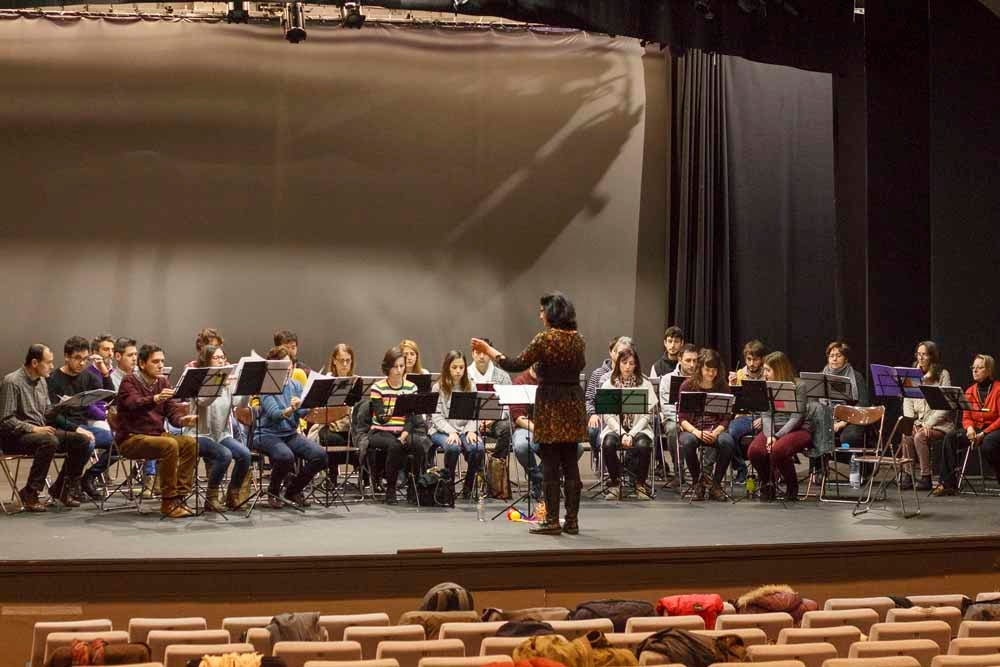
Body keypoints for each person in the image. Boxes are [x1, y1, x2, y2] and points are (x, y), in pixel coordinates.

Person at [473, 291, 587, 535]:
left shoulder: (545, 339)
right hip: (573, 403)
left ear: (552, 313)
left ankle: (552, 521)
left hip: (551, 404)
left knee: (550, 462)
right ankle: (572, 521)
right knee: (570, 462)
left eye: (542, 310)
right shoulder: (578, 339)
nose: (540, 314)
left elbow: (515, 364)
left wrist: (489, 349)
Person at [0, 344, 91, 512]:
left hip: (40, 433)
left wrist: (63, 406)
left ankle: (61, 489)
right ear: (35, 363)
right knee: (49, 440)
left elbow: (47, 412)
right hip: (14, 437)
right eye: (48, 362)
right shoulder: (12, 381)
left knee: (82, 441)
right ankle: (31, 492)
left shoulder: (41, 381)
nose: (51, 366)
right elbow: (6, 420)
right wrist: (33, 429)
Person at [115, 344, 200, 518]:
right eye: (155, 361)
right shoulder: (129, 381)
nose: (161, 365)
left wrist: (183, 420)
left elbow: (172, 414)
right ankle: (168, 501)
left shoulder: (162, 382)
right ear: (142, 363)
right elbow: (133, 404)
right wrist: (155, 398)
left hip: (156, 436)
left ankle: (180, 496)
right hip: (131, 438)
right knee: (169, 444)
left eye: (162, 361)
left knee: (190, 443)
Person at [253, 345, 327, 508]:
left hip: (289, 434)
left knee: (320, 455)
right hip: (267, 434)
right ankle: (273, 492)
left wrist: (310, 406)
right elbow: (275, 415)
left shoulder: (296, 385)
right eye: (283, 365)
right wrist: (292, 408)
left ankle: (293, 490)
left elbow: (301, 413)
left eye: (290, 365)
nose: (288, 368)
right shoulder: (266, 387)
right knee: (286, 457)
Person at [46, 336, 115, 501]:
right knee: (86, 442)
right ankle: (68, 486)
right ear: (66, 356)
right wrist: (77, 429)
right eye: (77, 358)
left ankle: (88, 478)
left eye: (85, 359)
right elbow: (51, 416)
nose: (82, 363)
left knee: (119, 442)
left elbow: (110, 397)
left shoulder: (87, 376)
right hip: (62, 428)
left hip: (83, 427)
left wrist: (105, 373)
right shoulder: (53, 379)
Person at [184, 344, 251, 511]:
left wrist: (247, 387)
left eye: (222, 357)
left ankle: (232, 495)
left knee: (245, 455)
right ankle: (211, 497)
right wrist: (219, 383)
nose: (221, 361)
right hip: (198, 434)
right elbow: (203, 402)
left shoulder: (226, 381)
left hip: (220, 434)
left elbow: (240, 404)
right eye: (216, 358)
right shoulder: (199, 380)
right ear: (206, 360)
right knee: (224, 455)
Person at [747, 351, 814, 500]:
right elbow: (766, 415)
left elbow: (797, 417)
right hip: (773, 428)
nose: (765, 373)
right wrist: (770, 435)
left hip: (797, 428)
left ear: (779, 370)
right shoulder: (765, 386)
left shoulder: (799, 385)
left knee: (778, 450)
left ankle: (792, 486)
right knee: (754, 451)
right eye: (764, 370)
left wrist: (777, 436)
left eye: (768, 370)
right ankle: (768, 484)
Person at [368, 346, 430, 505]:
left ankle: (413, 488)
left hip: (403, 431)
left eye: (401, 366)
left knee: (419, 446)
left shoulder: (411, 387)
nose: (399, 370)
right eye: (395, 366)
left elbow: (411, 417)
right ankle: (391, 489)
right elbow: (380, 419)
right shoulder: (377, 387)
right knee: (395, 446)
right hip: (380, 431)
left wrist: (404, 434)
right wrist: (392, 410)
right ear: (387, 368)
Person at [935, 354, 1000, 496]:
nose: (975, 370)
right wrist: (970, 429)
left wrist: (983, 433)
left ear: (989, 370)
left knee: (988, 444)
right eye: (973, 367)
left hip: (994, 429)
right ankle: (948, 484)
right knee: (951, 438)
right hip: (976, 428)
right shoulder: (970, 391)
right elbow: (966, 417)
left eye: (980, 368)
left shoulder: (998, 389)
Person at [677, 348, 736, 501]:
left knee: (727, 442)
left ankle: (716, 485)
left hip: (715, 430)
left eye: (714, 370)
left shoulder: (723, 387)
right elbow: (682, 418)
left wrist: (716, 432)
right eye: (707, 369)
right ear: (700, 368)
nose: (711, 373)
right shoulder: (687, 386)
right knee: (687, 442)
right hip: (693, 430)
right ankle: (698, 483)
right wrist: (697, 432)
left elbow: (726, 418)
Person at [599, 346, 657, 500]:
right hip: (615, 429)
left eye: (631, 363)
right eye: (624, 363)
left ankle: (640, 484)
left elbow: (646, 416)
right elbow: (608, 416)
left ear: (636, 365)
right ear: (618, 364)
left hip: (639, 428)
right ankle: (615, 483)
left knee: (644, 445)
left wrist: (631, 434)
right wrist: (623, 433)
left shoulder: (645, 384)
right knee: (608, 444)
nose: (627, 367)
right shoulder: (609, 384)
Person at [430, 351, 485, 498]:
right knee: (453, 448)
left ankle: (469, 485)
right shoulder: (438, 387)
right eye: (454, 367)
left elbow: (474, 414)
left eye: (461, 367)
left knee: (477, 448)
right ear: (447, 367)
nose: (458, 371)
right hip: (441, 430)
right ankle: (449, 486)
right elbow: (436, 416)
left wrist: (471, 430)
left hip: (465, 429)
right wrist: (451, 432)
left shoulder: (471, 386)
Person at [900, 341, 952, 491]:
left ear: (932, 356)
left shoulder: (942, 374)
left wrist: (928, 424)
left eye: (924, 354)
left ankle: (926, 477)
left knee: (920, 436)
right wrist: (910, 422)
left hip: (939, 424)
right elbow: (907, 400)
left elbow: (945, 405)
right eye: (918, 354)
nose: (921, 358)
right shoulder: (911, 374)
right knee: (906, 434)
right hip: (918, 422)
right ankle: (908, 475)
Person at [311, 343, 357, 487]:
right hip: (328, 425)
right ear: (334, 361)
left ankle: (368, 478)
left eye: (348, 360)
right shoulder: (327, 380)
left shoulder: (356, 381)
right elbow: (319, 410)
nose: (345, 364)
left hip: (349, 426)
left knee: (362, 440)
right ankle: (332, 476)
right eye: (341, 360)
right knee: (331, 438)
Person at [658, 343, 700, 487]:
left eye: (695, 361)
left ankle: (704, 475)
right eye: (688, 360)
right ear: (680, 359)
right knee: (672, 429)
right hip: (674, 419)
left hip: (697, 419)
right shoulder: (667, 379)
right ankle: (678, 473)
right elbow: (666, 407)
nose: (692, 365)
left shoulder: (703, 378)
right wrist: (681, 421)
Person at [585, 337, 634, 460]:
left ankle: (628, 462)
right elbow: (589, 399)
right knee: (593, 431)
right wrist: (593, 414)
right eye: (620, 353)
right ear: (612, 353)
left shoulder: (634, 375)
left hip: (628, 418)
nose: (623, 357)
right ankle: (601, 459)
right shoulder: (599, 374)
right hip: (604, 416)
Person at [727, 339, 767, 483]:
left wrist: (764, 419)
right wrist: (731, 386)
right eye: (749, 359)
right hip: (744, 416)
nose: (751, 363)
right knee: (729, 434)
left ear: (762, 359)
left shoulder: (768, 373)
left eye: (755, 360)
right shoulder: (739, 374)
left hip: (765, 417)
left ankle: (766, 472)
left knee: (773, 433)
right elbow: (731, 404)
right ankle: (741, 468)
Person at [467, 338, 513, 459]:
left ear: (491, 354)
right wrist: (476, 423)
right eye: (478, 352)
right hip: (469, 423)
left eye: (485, 353)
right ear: (472, 354)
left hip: (494, 421)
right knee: (471, 442)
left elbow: (509, 405)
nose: (482, 356)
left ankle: (496, 462)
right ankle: (478, 467)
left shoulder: (502, 376)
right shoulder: (465, 375)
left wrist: (491, 420)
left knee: (507, 428)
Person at [824, 341, 871, 447]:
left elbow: (863, 403)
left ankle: (850, 457)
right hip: (828, 417)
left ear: (846, 359)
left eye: (838, 356)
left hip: (852, 418)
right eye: (831, 356)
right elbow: (815, 402)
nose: (834, 359)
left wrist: (844, 422)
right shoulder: (821, 376)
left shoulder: (857, 377)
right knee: (813, 432)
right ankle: (821, 458)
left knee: (849, 437)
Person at [510, 364, 542, 502]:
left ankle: (542, 479)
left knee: (576, 448)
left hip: (549, 428)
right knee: (521, 446)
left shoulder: (552, 380)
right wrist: (537, 429)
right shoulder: (520, 381)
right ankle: (538, 479)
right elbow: (518, 417)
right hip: (526, 427)